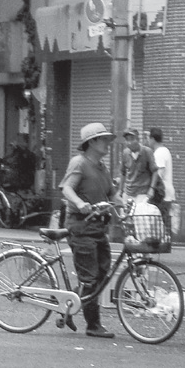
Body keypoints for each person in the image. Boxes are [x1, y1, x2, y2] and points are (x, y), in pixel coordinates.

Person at [60, 122, 118, 339]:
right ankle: (93, 325)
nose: (107, 144)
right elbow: (67, 188)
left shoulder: (103, 168)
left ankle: (72, 302)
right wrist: (79, 203)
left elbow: (112, 195)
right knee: (90, 278)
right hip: (81, 228)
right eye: (103, 139)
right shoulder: (80, 163)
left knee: (103, 272)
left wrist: (127, 203)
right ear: (92, 142)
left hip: (97, 228)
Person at [147, 127, 175, 236]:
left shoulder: (160, 153)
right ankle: (165, 241)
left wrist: (151, 187)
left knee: (161, 218)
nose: (148, 141)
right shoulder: (164, 151)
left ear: (153, 139)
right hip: (166, 192)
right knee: (164, 218)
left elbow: (159, 173)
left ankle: (164, 242)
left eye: (149, 138)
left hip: (162, 193)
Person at [120, 127, 159, 205]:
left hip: (143, 193)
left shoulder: (147, 152)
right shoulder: (125, 153)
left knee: (140, 216)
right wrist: (120, 190)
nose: (129, 142)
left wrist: (152, 189)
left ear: (138, 139)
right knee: (126, 215)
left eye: (132, 139)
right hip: (128, 193)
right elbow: (123, 173)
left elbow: (155, 171)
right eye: (127, 140)